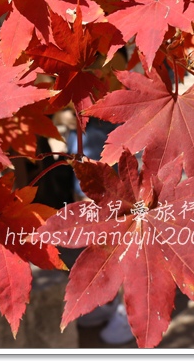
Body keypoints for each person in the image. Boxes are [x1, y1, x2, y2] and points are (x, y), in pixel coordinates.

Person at [66, 118, 134, 345]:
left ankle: (130, 307)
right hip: (82, 126)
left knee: (123, 220)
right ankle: (108, 297)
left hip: (114, 119)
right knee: (89, 209)